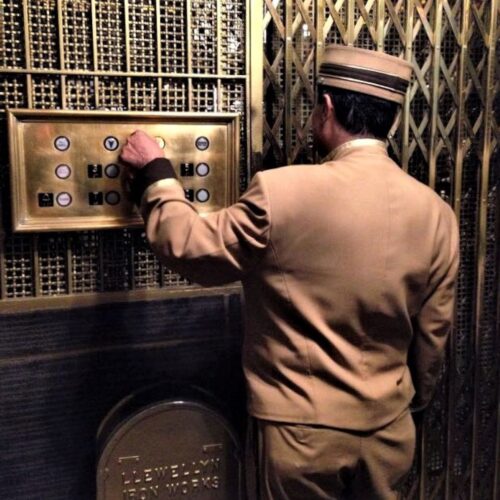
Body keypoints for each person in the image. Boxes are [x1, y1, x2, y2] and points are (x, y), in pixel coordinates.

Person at [120, 45, 459, 500]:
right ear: (393, 122)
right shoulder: (437, 214)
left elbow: (190, 248)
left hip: (299, 434)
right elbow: (433, 338)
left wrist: (157, 175)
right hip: (389, 433)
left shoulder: (283, 193)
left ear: (326, 109)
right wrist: (408, 403)